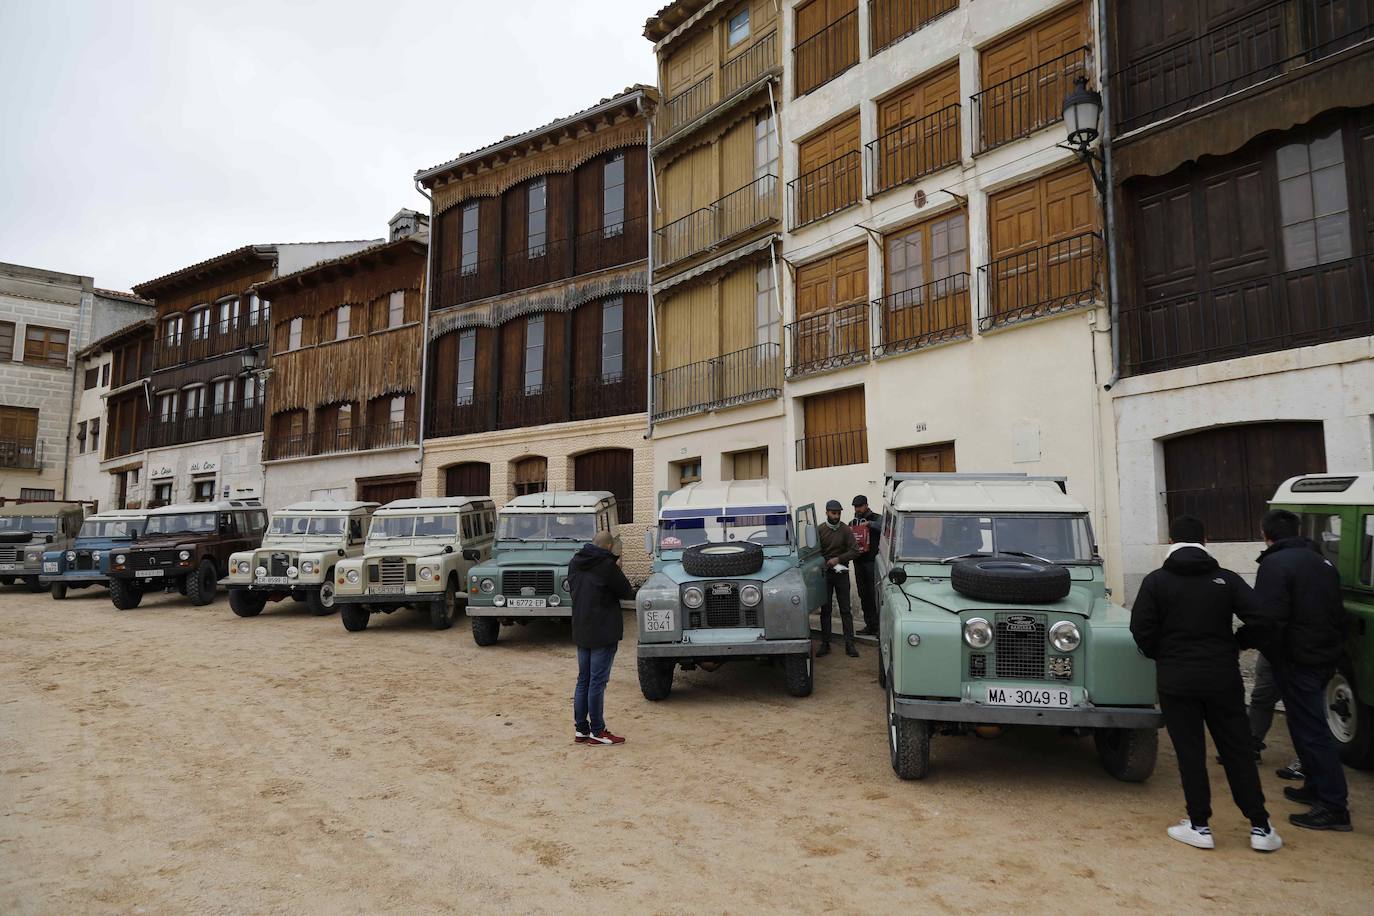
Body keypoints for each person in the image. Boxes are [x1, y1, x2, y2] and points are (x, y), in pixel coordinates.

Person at [1130, 515, 1282, 853]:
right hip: (1222, 677)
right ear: (1206, 540)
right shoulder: (1225, 579)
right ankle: (1260, 826)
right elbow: (1264, 619)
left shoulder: (1156, 582)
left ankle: (1199, 825)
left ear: (1171, 541)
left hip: (1176, 678)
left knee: (1190, 752)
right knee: (1237, 750)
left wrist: (1163, 653)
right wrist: (1239, 642)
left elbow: (1140, 628)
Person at [1253, 509, 1352, 832]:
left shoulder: (1275, 564)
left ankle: (1334, 806)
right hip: (1323, 656)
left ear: (1267, 534)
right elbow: (1336, 612)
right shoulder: (1321, 562)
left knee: (1312, 730)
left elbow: (1268, 617)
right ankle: (1315, 786)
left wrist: (1256, 644)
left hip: (1296, 659)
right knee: (1304, 724)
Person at [568, 531, 633, 747]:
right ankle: (598, 730)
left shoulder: (575, 562)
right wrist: (618, 563)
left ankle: (581, 729)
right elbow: (626, 591)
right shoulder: (607, 566)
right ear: (608, 546)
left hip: (581, 628)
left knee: (583, 680)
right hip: (603, 630)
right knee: (597, 681)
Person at [817, 499, 860, 658]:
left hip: (841, 574)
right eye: (834, 513)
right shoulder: (820, 530)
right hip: (826, 574)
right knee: (825, 610)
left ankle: (849, 644)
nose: (836, 516)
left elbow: (855, 551)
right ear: (827, 512)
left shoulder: (845, 530)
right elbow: (814, 552)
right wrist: (824, 561)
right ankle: (825, 643)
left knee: (845, 610)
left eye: (839, 513)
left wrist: (838, 559)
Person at [850, 495, 882, 636]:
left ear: (866, 505)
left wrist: (869, 524)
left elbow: (885, 528)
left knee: (875, 595)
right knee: (864, 595)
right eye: (856, 507)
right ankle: (869, 625)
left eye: (860, 506)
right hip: (859, 562)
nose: (858, 509)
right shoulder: (853, 522)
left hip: (873, 562)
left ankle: (880, 627)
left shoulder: (877, 518)